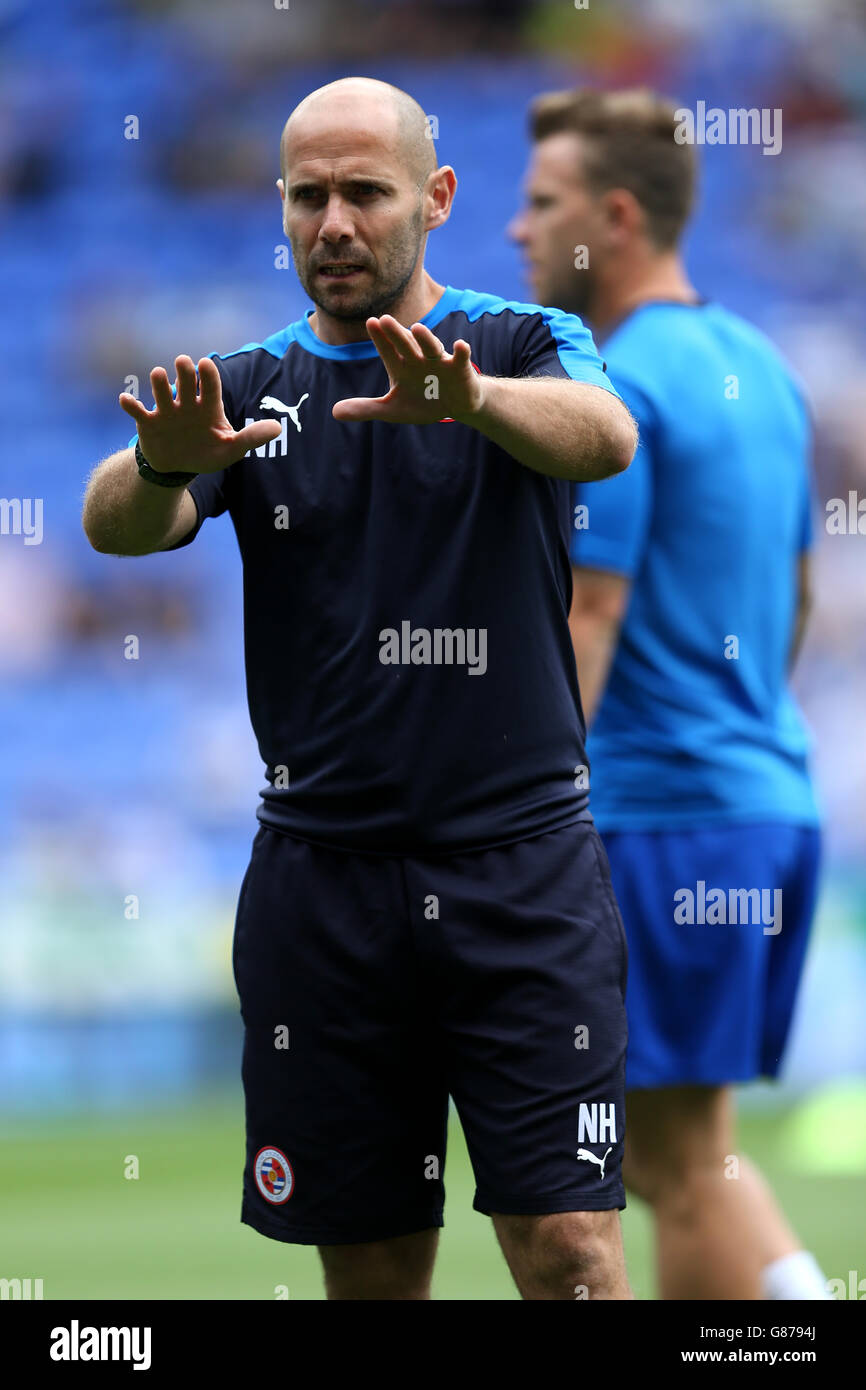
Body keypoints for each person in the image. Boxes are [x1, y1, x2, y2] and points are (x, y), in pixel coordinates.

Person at [82, 77, 637, 1301]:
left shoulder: (519, 341)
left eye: (364, 193)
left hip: (519, 872)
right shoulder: (244, 385)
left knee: (572, 1253)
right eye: (307, 196)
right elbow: (117, 519)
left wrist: (472, 403)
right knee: (374, 1273)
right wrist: (163, 462)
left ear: (433, 200)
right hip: (321, 890)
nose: (333, 223)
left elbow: (604, 434)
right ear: (280, 210)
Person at [509, 86, 830, 1300]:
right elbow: (794, 602)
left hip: (661, 818)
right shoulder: (762, 368)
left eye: (541, 206)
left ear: (616, 217)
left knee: (679, 1165)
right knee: (673, 1156)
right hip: (764, 799)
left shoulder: (619, 392)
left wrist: (522, 809)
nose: (515, 232)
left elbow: (589, 616)